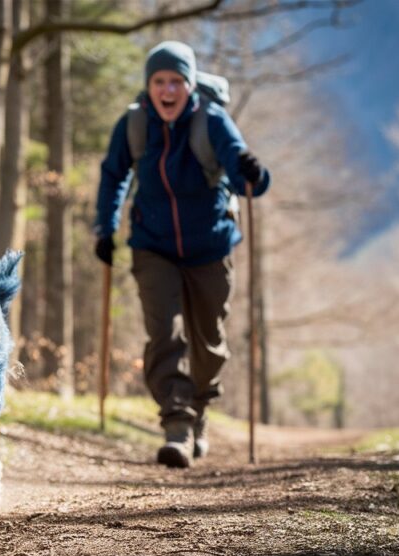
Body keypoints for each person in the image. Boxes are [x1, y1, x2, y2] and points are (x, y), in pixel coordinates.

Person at [94, 40, 270, 468]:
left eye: (176, 81)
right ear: (149, 85)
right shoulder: (135, 124)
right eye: (159, 81)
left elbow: (247, 177)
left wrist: (254, 173)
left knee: (209, 342)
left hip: (210, 246)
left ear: (190, 85)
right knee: (165, 334)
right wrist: (106, 225)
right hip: (153, 246)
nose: (168, 90)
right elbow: (114, 174)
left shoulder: (211, 121)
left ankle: (199, 411)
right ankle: (176, 425)